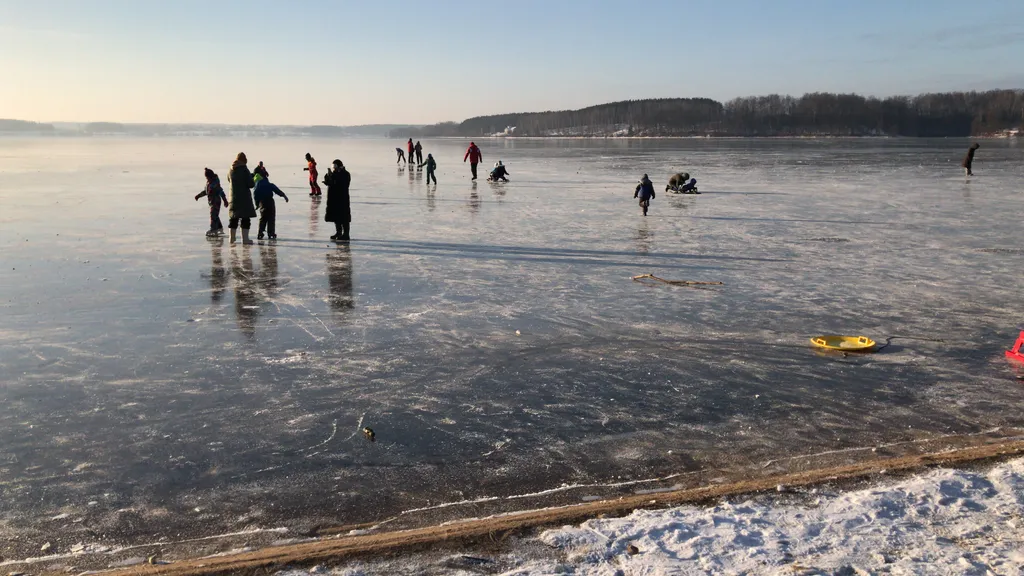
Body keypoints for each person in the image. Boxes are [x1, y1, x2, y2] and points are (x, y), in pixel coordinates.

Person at [227, 152, 257, 244]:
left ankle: (231, 238)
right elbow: (250, 184)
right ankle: (245, 239)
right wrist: (253, 178)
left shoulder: (231, 169)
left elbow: (229, 179)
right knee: (245, 219)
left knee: (233, 218)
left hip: (233, 198)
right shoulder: (244, 169)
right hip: (244, 198)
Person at [253, 174, 290, 240]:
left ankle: (260, 233)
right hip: (270, 202)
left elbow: (255, 195)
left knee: (263, 219)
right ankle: (271, 233)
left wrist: (257, 204)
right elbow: (276, 190)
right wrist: (284, 196)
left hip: (262, 203)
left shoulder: (257, 186)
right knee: (271, 218)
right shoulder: (269, 184)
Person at [323, 159, 351, 241]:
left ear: (340, 166)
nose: (334, 168)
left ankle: (346, 234)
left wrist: (333, 178)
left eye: (335, 166)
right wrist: (328, 179)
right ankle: (338, 232)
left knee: (344, 217)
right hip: (334, 199)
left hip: (342, 199)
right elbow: (331, 183)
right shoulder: (334, 174)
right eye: (333, 166)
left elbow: (342, 184)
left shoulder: (345, 174)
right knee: (336, 216)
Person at [195, 168, 228, 237]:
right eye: (206, 178)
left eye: (207, 178)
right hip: (211, 202)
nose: (207, 179)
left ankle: (213, 229)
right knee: (215, 215)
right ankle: (219, 227)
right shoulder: (209, 183)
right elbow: (205, 192)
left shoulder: (215, 184)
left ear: (211, 177)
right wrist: (198, 196)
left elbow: (221, 192)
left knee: (213, 215)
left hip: (216, 202)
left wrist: (225, 201)